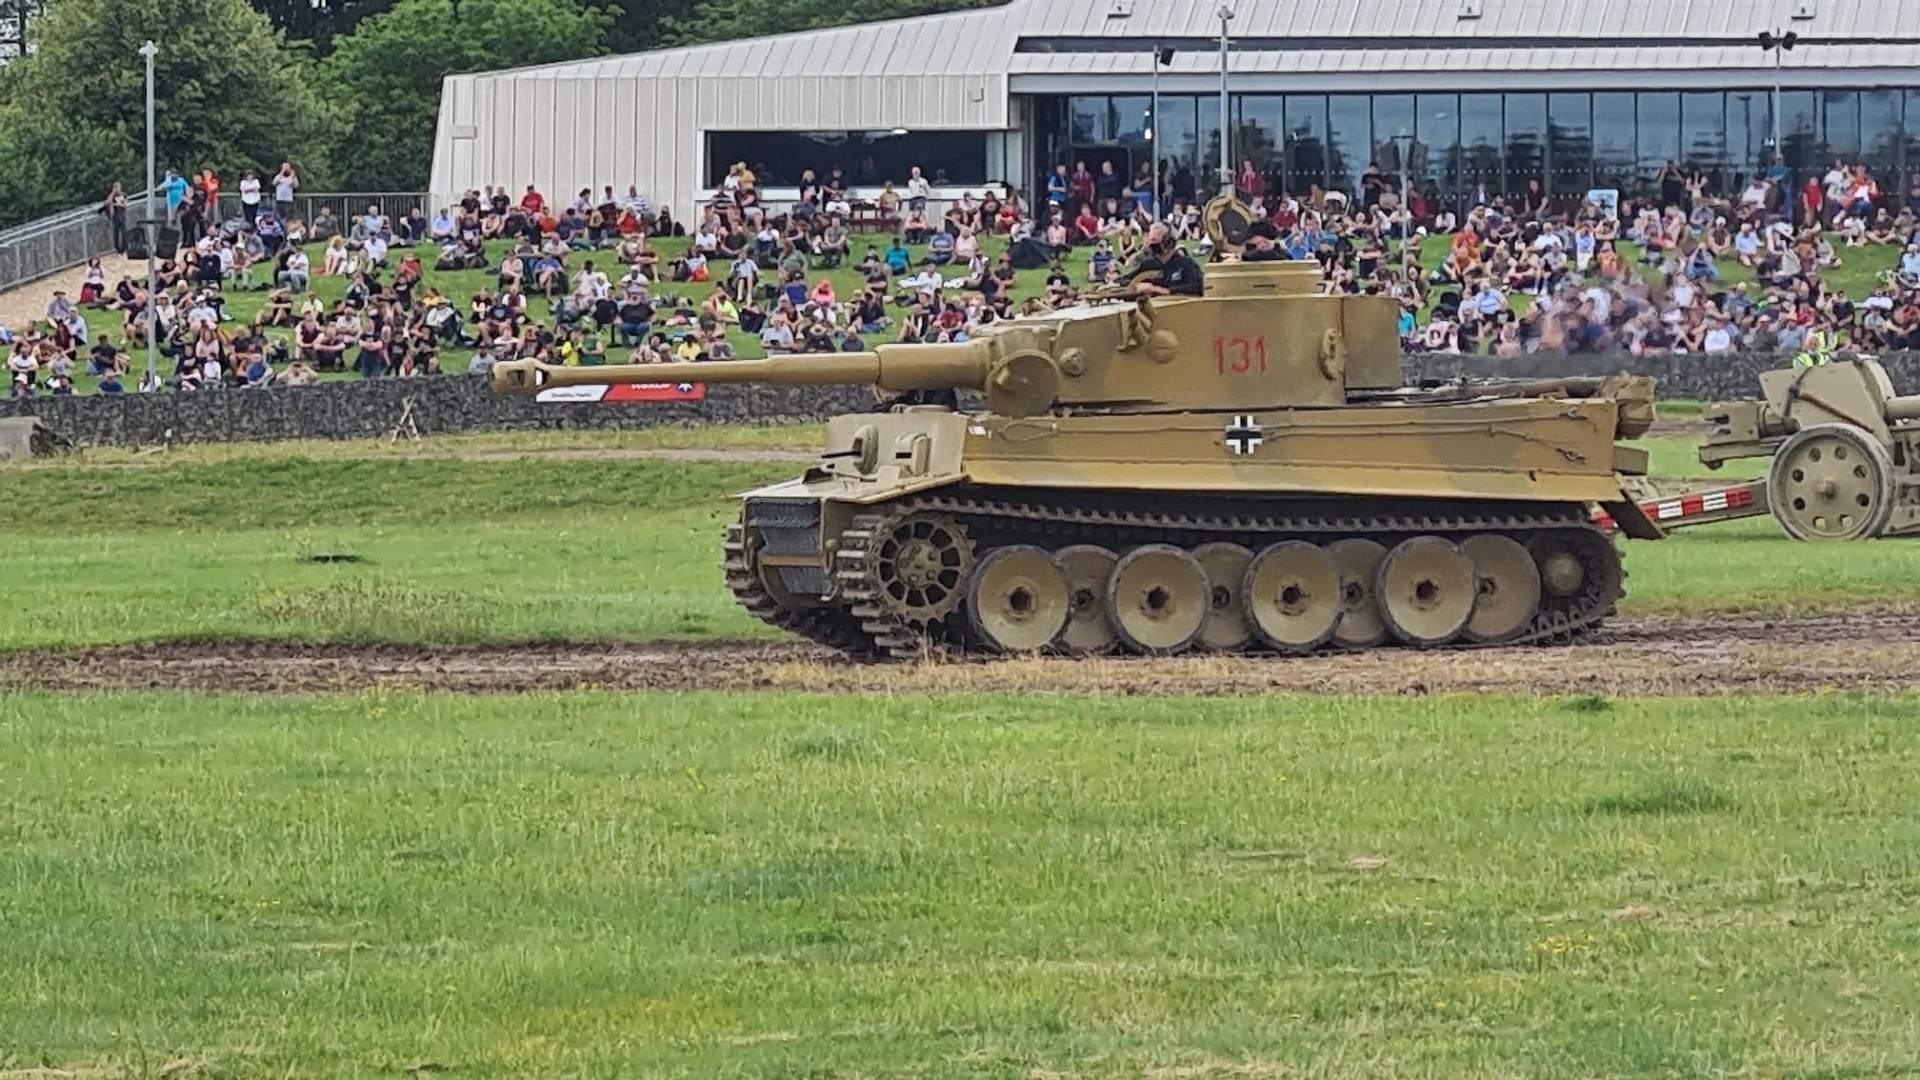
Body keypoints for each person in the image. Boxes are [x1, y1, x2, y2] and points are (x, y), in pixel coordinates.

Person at [1124, 223, 1203, 296]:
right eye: (1150, 240)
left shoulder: (1186, 264)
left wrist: (1162, 290)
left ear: (1169, 242)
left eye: (1154, 240)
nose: (1150, 244)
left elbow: (1196, 287)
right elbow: (1123, 281)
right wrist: (1136, 286)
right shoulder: (1147, 265)